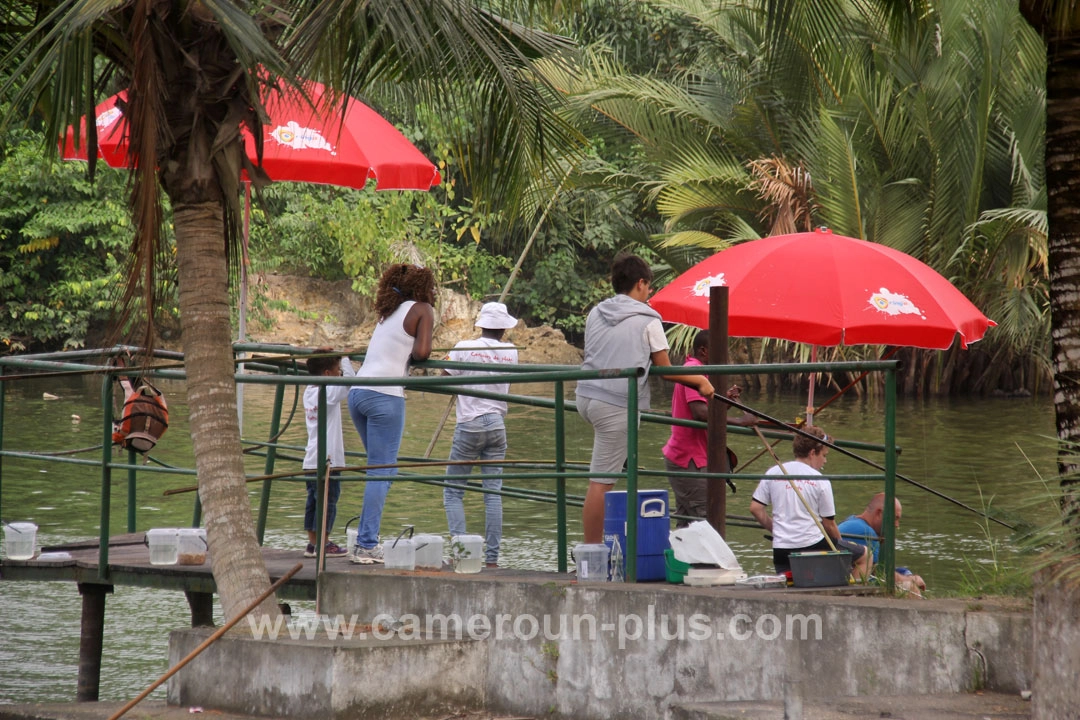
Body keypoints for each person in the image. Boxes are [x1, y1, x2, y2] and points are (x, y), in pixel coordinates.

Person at [577, 253, 715, 543]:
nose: (650, 292)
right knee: (600, 484)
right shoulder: (649, 319)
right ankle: (591, 555)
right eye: (649, 286)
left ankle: (599, 549)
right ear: (640, 283)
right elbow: (665, 371)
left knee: (603, 476)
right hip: (615, 404)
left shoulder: (595, 312)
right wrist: (701, 380)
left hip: (586, 397)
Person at [348, 264, 435, 564]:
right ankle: (366, 543)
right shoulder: (422, 310)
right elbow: (422, 353)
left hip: (357, 392)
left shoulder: (390, 311)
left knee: (384, 470)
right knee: (380, 471)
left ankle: (365, 536)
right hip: (385, 396)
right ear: (423, 287)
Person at [442, 302, 519, 567]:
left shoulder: (463, 347)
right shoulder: (511, 352)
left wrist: (447, 363)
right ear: (504, 329)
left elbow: (443, 374)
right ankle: (492, 560)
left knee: (452, 492)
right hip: (497, 425)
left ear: (481, 324)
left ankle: (462, 555)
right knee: (493, 494)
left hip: (470, 424)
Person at [662, 330, 758, 527]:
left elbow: (706, 409)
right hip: (688, 458)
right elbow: (700, 413)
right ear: (704, 351)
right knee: (705, 520)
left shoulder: (700, 372)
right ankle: (707, 559)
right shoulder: (693, 371)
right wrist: (740, 421)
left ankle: (682, 558)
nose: (725, 357)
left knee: (687, 522)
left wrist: (726, 401)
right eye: (720, 351)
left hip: (691, 456)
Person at [749, 426, 870, 576]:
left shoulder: (773, 472)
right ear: (813, 453)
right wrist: (841, 550)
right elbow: (829, 525)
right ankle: (852, 595)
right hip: (813, 546)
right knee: (866, 555)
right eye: (824, 455)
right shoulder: (820, 480)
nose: (825, 461)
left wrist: (777, 530)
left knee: (791, 582)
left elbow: (755, 508)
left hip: (781, 548)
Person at [301, 348, 356, 559]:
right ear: (326, 374)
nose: (340, 373)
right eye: (337, 370)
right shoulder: (328, 391)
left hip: (311, 459)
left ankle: (313, 543)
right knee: (327, 502)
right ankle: (323, 545)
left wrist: (340, 360)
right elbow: (351, 381)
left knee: (313, 503)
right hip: (327, 459)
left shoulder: (309, 390)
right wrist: (345, 358)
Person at [839, 493, 927, 594]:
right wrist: (910, 580)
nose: (897, 525)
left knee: (905, 574)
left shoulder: (853, 521)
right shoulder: (866, 532)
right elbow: (881, 573)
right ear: (879, 514)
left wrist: (906, 574)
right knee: (911, 589)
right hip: (845, 585)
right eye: (895, 518)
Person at [111, 364, 169, 454]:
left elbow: (126, 386)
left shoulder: (131, 398)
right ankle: (130, 363)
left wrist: (119, 365)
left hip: (129, 439)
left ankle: (121, 362)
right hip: (149, 443)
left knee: (113, 421)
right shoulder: (160, 406)